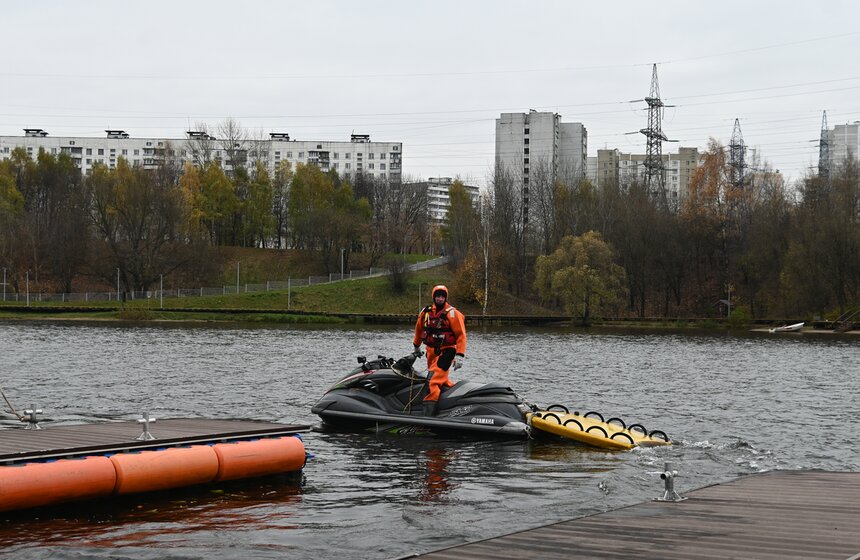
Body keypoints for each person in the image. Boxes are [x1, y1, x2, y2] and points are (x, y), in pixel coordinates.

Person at [412, 284, 466, 416]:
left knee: (432, 381)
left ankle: (428, 416)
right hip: (430, 352)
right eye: (438, 296)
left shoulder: (453, 314)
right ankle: (453, 402)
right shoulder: (425, 312)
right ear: (434, 297)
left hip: (447, 351)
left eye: (442, 296)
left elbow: (461, 335)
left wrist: (459, 355)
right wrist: (416, 346)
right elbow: (419, 330)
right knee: (441, 380)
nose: (440, 299)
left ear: (446, 298)